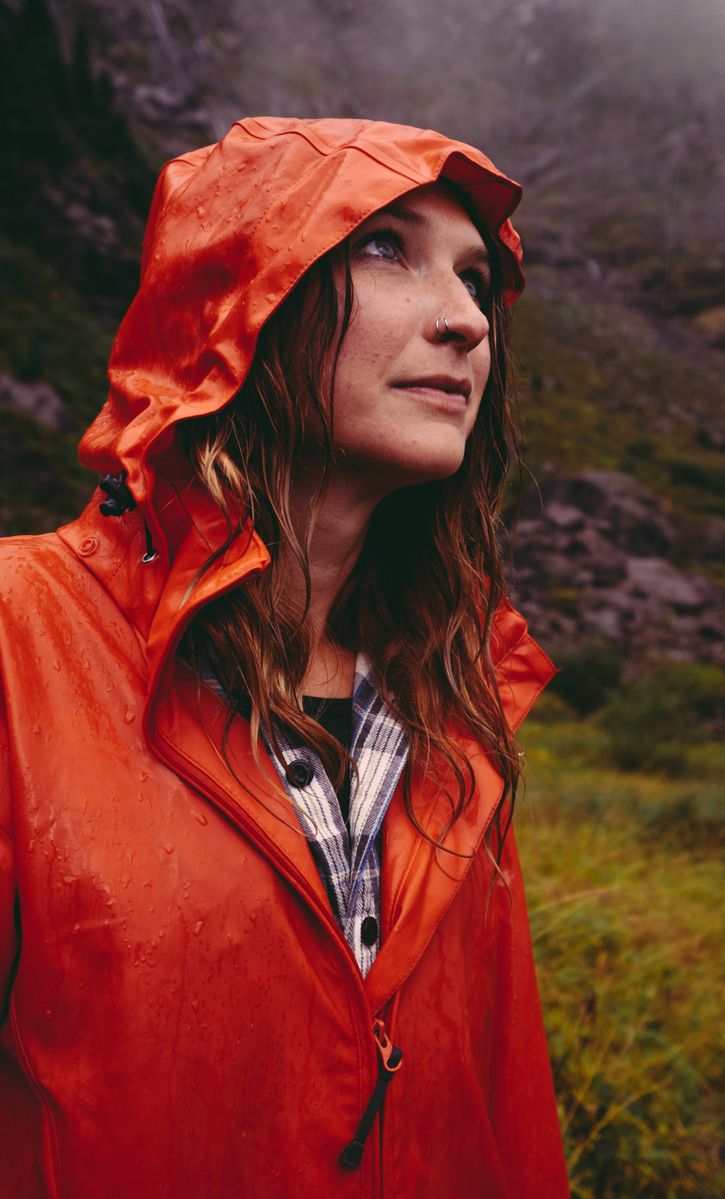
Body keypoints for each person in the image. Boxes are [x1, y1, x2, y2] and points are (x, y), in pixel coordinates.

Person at [0, 117, 569, 1198]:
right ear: (233, 295)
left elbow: (508, 1118)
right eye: (381, 246)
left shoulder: (455, 705)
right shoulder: (21, 636)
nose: (464, 321)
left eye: (476, 278)